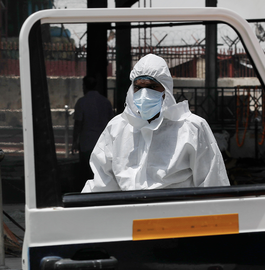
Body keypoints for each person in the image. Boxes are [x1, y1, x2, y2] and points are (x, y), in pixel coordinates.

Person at [82, 54, 230, 192]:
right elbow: (101, 183)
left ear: (166, 90)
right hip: (128, 216)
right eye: (139, 87)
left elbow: (213, 184)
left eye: (152, 87)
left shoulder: (192, 128)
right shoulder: (117, 128)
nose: (144, 94)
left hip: (176, 217)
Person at [72, 75, 114, 184]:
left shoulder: (82, 102)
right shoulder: (105, 102)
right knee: (102, 174)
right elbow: (112, 123)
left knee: (87, 173)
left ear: (84, 86)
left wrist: (74, 142)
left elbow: (78, 124)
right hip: (103, 144)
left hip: (87, 143)